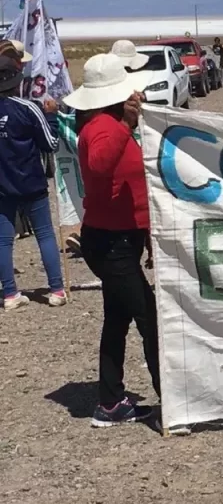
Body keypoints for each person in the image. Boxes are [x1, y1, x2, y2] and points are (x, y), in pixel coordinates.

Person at [62, 53, 158, 427]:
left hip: (119, 239)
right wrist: (127, 124)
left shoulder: (110, 124)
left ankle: (110, 402)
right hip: (110, 243)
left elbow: (132, 187)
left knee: (117, 318)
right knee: (149, 317)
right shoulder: (101, 126)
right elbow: (101, 165)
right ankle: (171, 397)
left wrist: (147, 235)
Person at [0, 45, 65, 310]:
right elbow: (51, 144)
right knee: (45, 234)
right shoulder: (28, 108)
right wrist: (52, 117)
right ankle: (56, 289)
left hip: (2, 185)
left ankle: (9, 293)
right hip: (31, 182)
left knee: (3, 240)